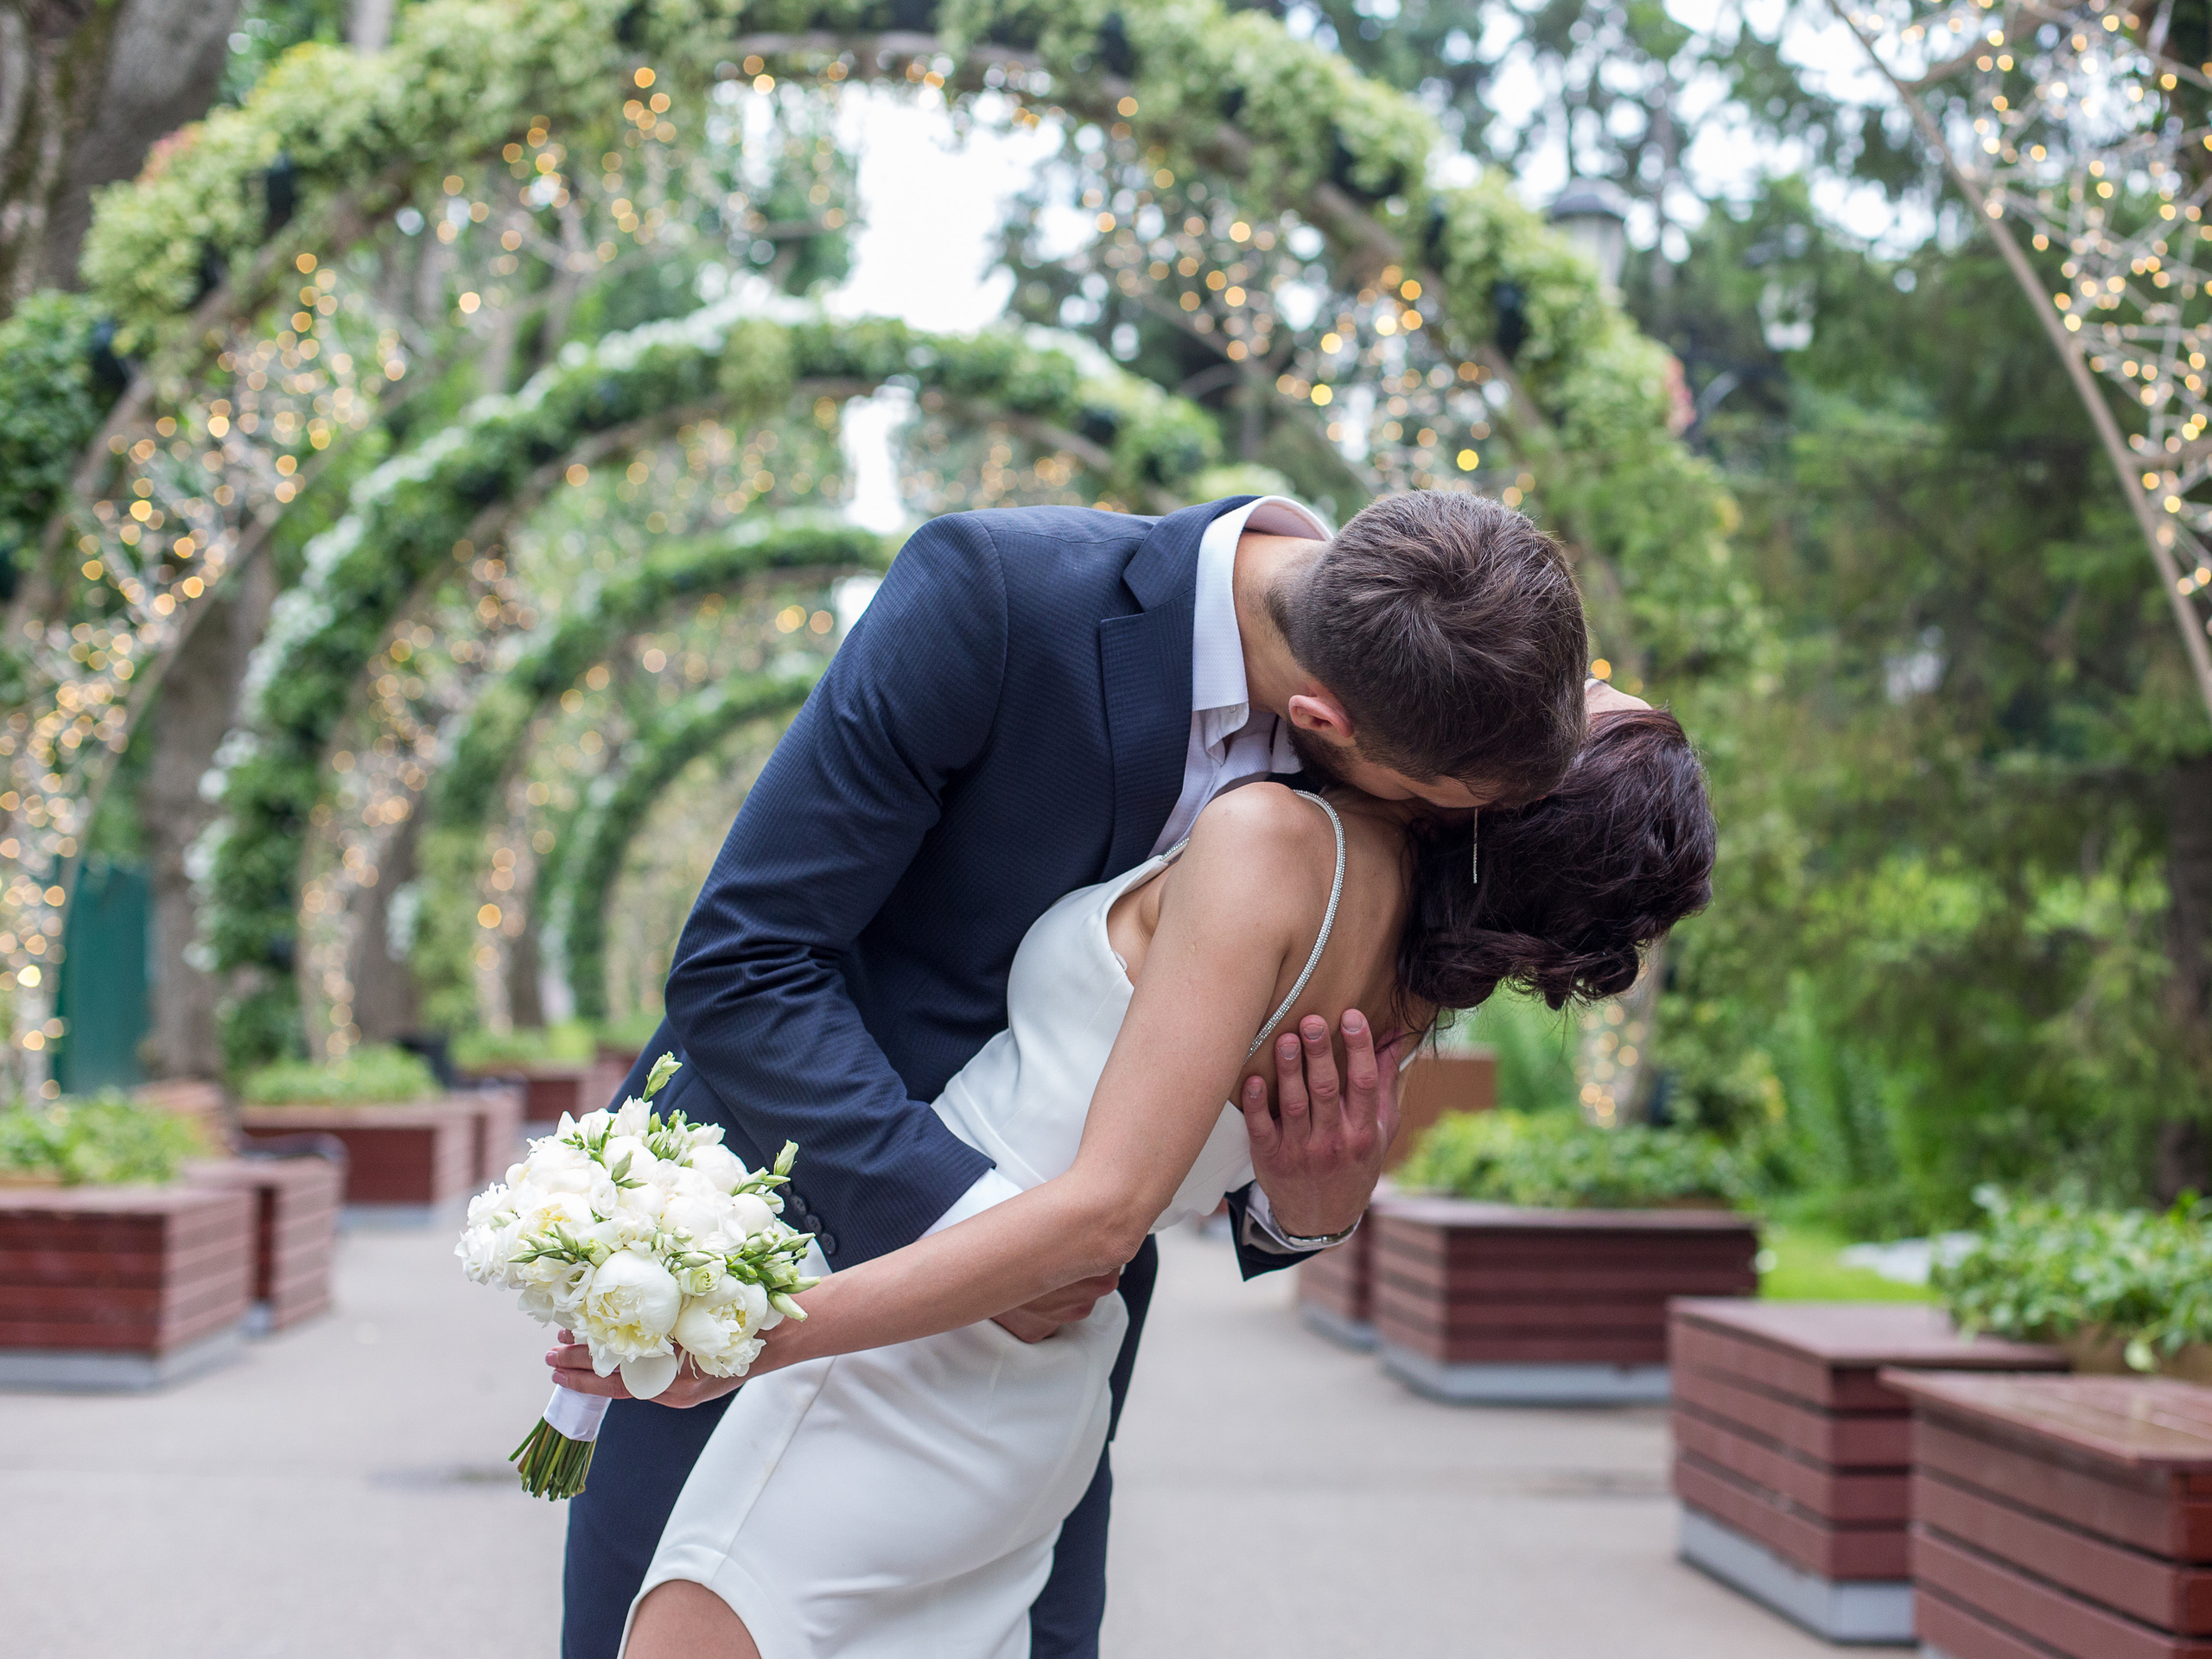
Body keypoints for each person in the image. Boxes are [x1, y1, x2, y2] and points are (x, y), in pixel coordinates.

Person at [556, 491, 1596, 1659]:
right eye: (1446, 808)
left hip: (1051, 1371)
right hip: (785, 1251)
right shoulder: (995, 596)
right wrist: (990, 1228)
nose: (1457, 834)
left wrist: (1308, 1214)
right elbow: (742, 965)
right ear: (1321, 718)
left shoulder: (1442, 661)